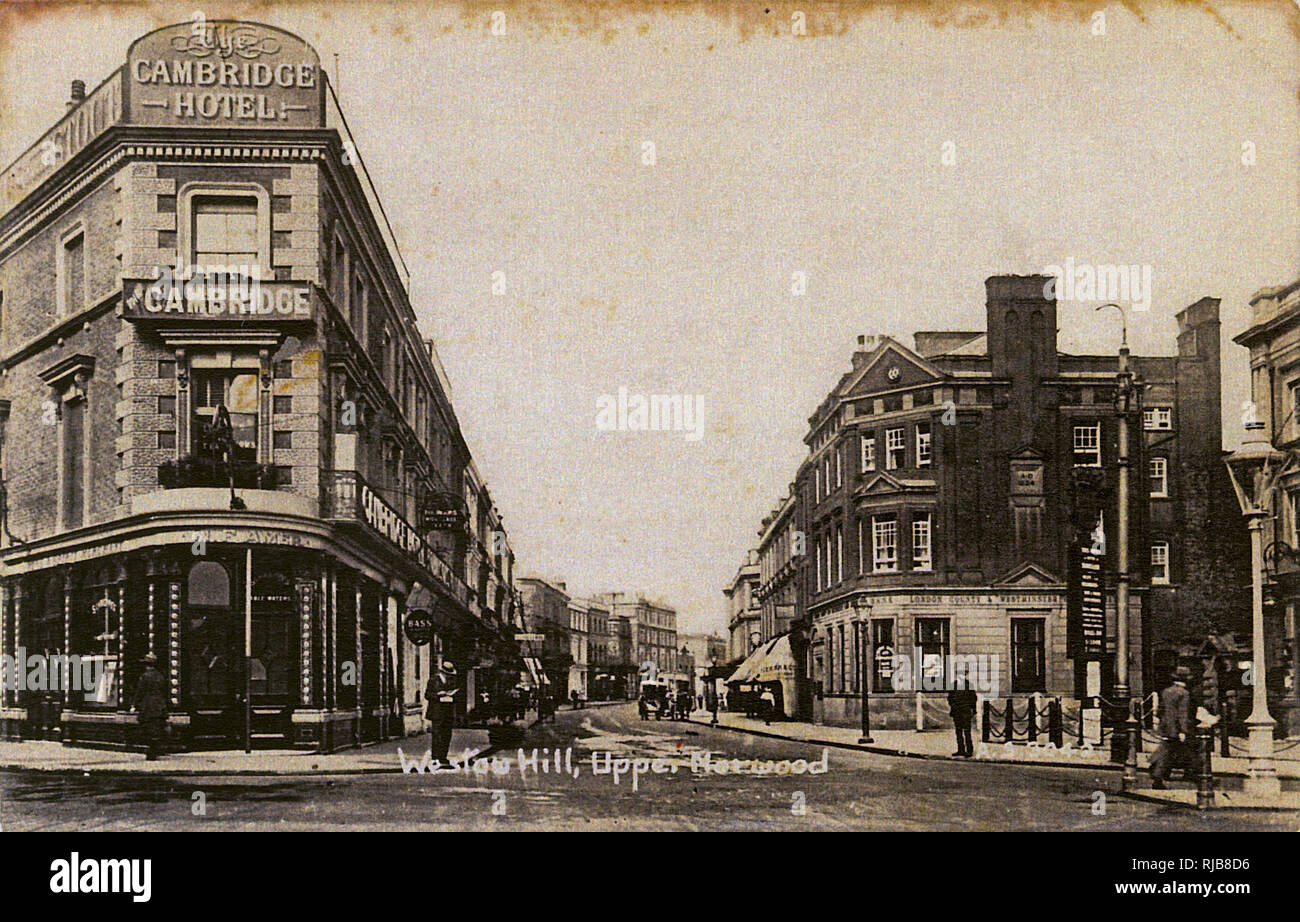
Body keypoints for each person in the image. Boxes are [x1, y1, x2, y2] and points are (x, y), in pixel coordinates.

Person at [1150, 665, 1193, 789]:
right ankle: (1157, 774)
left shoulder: (1166, 691)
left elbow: (1160, 710)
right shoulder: (1184, 693)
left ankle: (1159, 770)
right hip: (1175, 728)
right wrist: (1183, 731)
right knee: (1167, 752)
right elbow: (1182, 714)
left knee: (1167, 750)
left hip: (1165, 726)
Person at [131, 653, 168, 760]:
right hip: (160, 705)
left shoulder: (145, 676)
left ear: (146, 665)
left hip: (148, 705)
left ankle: (151, 753)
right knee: (157, 727)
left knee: (148, 728)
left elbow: (140, 692)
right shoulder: (160, 676)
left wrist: (134, 704)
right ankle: (157, 749)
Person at [425, 661, 457, 762]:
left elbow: (455, 694)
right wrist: (438, 695)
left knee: (447, 735)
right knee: (437, 735)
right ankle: (436, 757)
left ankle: (443, 757)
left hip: (448, 712)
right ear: (442, 672)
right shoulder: (433, 680)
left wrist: (451, 695)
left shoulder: (451, 681)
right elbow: (427, 695)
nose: (448, 676)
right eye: (447, 674)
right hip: (437, 712)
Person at [947, 680, 978, 757]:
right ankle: (961, 749)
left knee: (967, 731)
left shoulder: (969, 685)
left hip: (965, 711)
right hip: (956, 711)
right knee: (958, 731)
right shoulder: (953, 685)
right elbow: (949, 698)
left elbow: (973, 698)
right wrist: (953, 706)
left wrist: (972, 709)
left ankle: (969, 750)